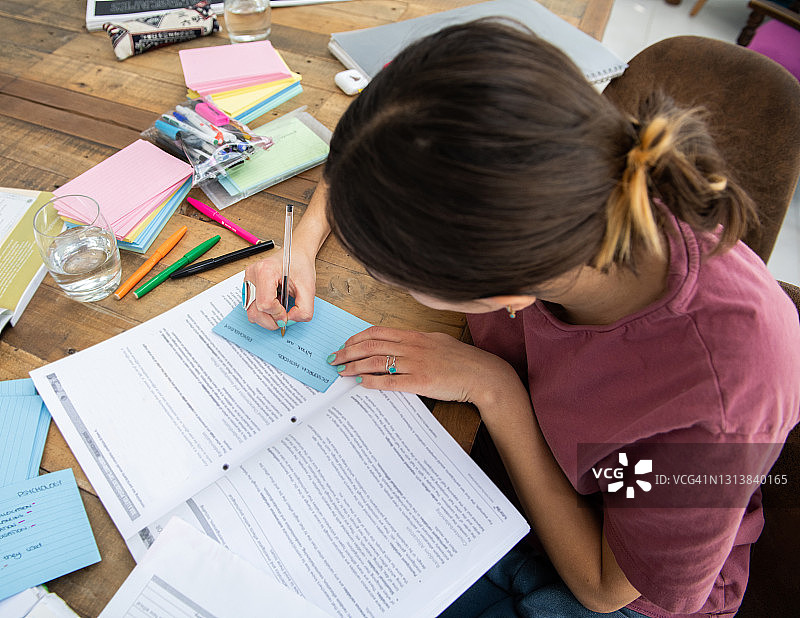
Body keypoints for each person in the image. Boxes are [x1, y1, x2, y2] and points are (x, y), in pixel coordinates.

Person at [243, 19, 800, 617]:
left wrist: (494, 387)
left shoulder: (720, 393)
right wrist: (301, 243)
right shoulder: (562, 174)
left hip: (610, 576)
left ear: (504, 294)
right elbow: (380, 145)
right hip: (524, 467)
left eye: (396, 277)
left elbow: (605, 587)